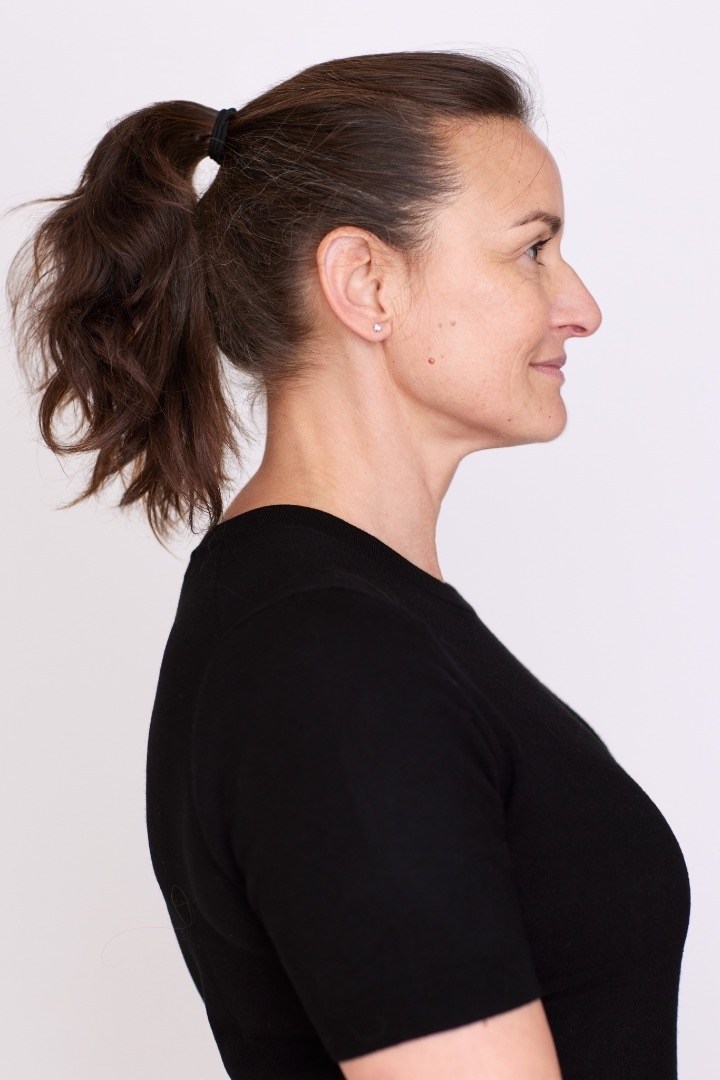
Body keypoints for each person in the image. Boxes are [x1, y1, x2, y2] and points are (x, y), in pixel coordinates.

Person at [9, 51, 690, 1080]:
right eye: (533, 249)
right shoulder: (328, 664)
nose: (581, 306)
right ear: (366, 283)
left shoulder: (345, 626)